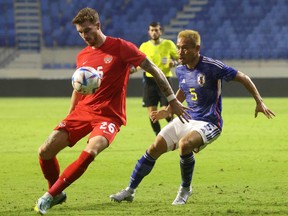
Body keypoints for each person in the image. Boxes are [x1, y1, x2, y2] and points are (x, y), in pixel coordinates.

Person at [34, 8, 190, 215]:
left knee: (91, 151)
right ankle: (56, 192)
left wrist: (172, 100)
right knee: (44, 151)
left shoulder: (121, 47)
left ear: (98, 26)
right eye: (80, 32)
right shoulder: (82, 56)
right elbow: (78, 88)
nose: (85, 36)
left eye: (88, 30)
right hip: (83, 112)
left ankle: (48, 197)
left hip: (109, 116)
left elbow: (154, 69)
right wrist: (70, 114)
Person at [110, 29, 275, 205]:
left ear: (197, 48)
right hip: (188, 117)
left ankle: (185, 189)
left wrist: (259, 101)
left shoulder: (212, 67)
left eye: (185, 48)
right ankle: (130, 190)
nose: (180, 52)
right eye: (179, 47)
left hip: (210, 122)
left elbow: (242, 77)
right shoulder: (180, 70)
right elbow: (183, 89)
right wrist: (168, 110)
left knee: (185, 145)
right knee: (154, 148)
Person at [137, 22, 178, 136]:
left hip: (164, 80)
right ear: (149, 32)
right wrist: (133, 69)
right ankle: (158, 136)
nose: (154, 32)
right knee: (152, 113)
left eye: (156, 30)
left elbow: (179, 58)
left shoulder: (168, 44)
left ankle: (176, 133)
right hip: (150, 82)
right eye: (152, 30)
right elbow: (138, 63)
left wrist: (173, 62)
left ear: (161, 31)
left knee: (167, 112)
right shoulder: (144, 46)